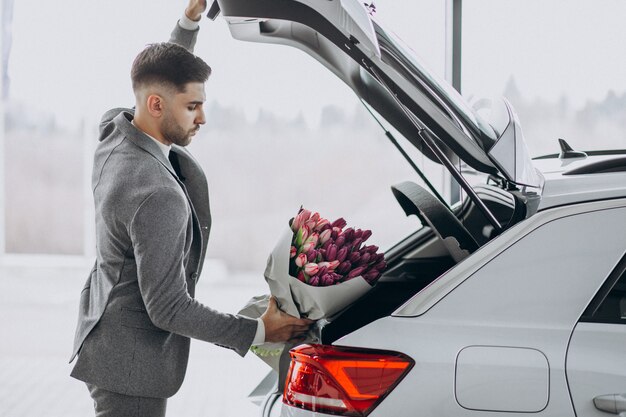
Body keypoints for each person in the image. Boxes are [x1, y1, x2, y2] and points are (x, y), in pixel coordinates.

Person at [69, 1, 313, 415]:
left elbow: (158, 77)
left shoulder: (114, 130)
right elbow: (168, 307)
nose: (202, 118)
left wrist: (189, 22)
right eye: (192, 107)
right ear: (157, 107)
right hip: (130, 366)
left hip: (106, 340)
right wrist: (257, 330)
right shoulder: (155, 194)